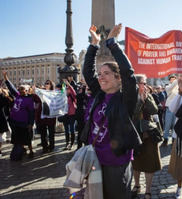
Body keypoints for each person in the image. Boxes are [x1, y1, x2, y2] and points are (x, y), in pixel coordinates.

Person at [81, 24, 141, 199]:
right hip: (95, 159)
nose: (100, 77)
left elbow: (128, 73)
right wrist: (94, 44)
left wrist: (112, 43)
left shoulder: (126, 99)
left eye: (106, 73)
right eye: (100, 74)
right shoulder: (99, 94)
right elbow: (87, 71)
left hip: (116, 162)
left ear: (118, 77)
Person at [131, 74, 162, 199]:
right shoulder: (130, 97)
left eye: (145, 82)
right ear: (137, 84)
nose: (145, 85)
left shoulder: (149, 95)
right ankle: (137, 185)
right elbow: (132, 115)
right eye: (143, 82)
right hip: (135, 133)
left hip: (148, 133)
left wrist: (146, 99)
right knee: (136, 162)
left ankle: (148, 190)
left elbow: (155, 110)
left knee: (149, 163)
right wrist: (139, 102)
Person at [2, 71, 35, 158]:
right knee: (17, 138)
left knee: (27, 138)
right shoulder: (18, 96)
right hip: (15, 121)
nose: (20, 90)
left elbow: (31, 112)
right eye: (19, 89)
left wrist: (31, 123)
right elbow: (11, 88)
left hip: (24, 122)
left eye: (22, 89)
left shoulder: (29, 99)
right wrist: (6, 78)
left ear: (27, 90)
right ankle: (20, 150)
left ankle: (31, 151)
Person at [32, 80, 57, 153]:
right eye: (45, 83)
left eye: (48, 83)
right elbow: (35, 99)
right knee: (43, 134)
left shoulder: (54, 93)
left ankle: (51, 146)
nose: (46, 84)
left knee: (51, 133)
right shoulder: (41, 92)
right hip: (42, 117)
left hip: (51, 117)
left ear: (51, 85)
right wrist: (34, 91)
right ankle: (45, 147)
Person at [162, 74, 178, 146]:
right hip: (169, 108)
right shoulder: (168, 86)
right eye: (171, 79)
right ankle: (165, 138)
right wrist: (178, 79)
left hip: (176, 108)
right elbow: (172, 87)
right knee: (167, 124)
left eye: (174, 78)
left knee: (175, 125)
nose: (173, 80)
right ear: (169, 80)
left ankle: (174, 139)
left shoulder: (178, 87)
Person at [62, 79, 77, 150]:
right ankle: (67, 143)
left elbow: (74, 92)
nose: (67, 90)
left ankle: (72, 143)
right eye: (66, 89)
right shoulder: (63, 97)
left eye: (68, 89)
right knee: (66, 130)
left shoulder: (72, 96)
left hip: (72, 114)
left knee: (72, 129)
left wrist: (69, 85)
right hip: (65, 115)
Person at [0, 87, 10, 157]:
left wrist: (6, 94)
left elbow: (9, 102)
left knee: (0, 137)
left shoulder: (2, 97)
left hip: (0, 119)